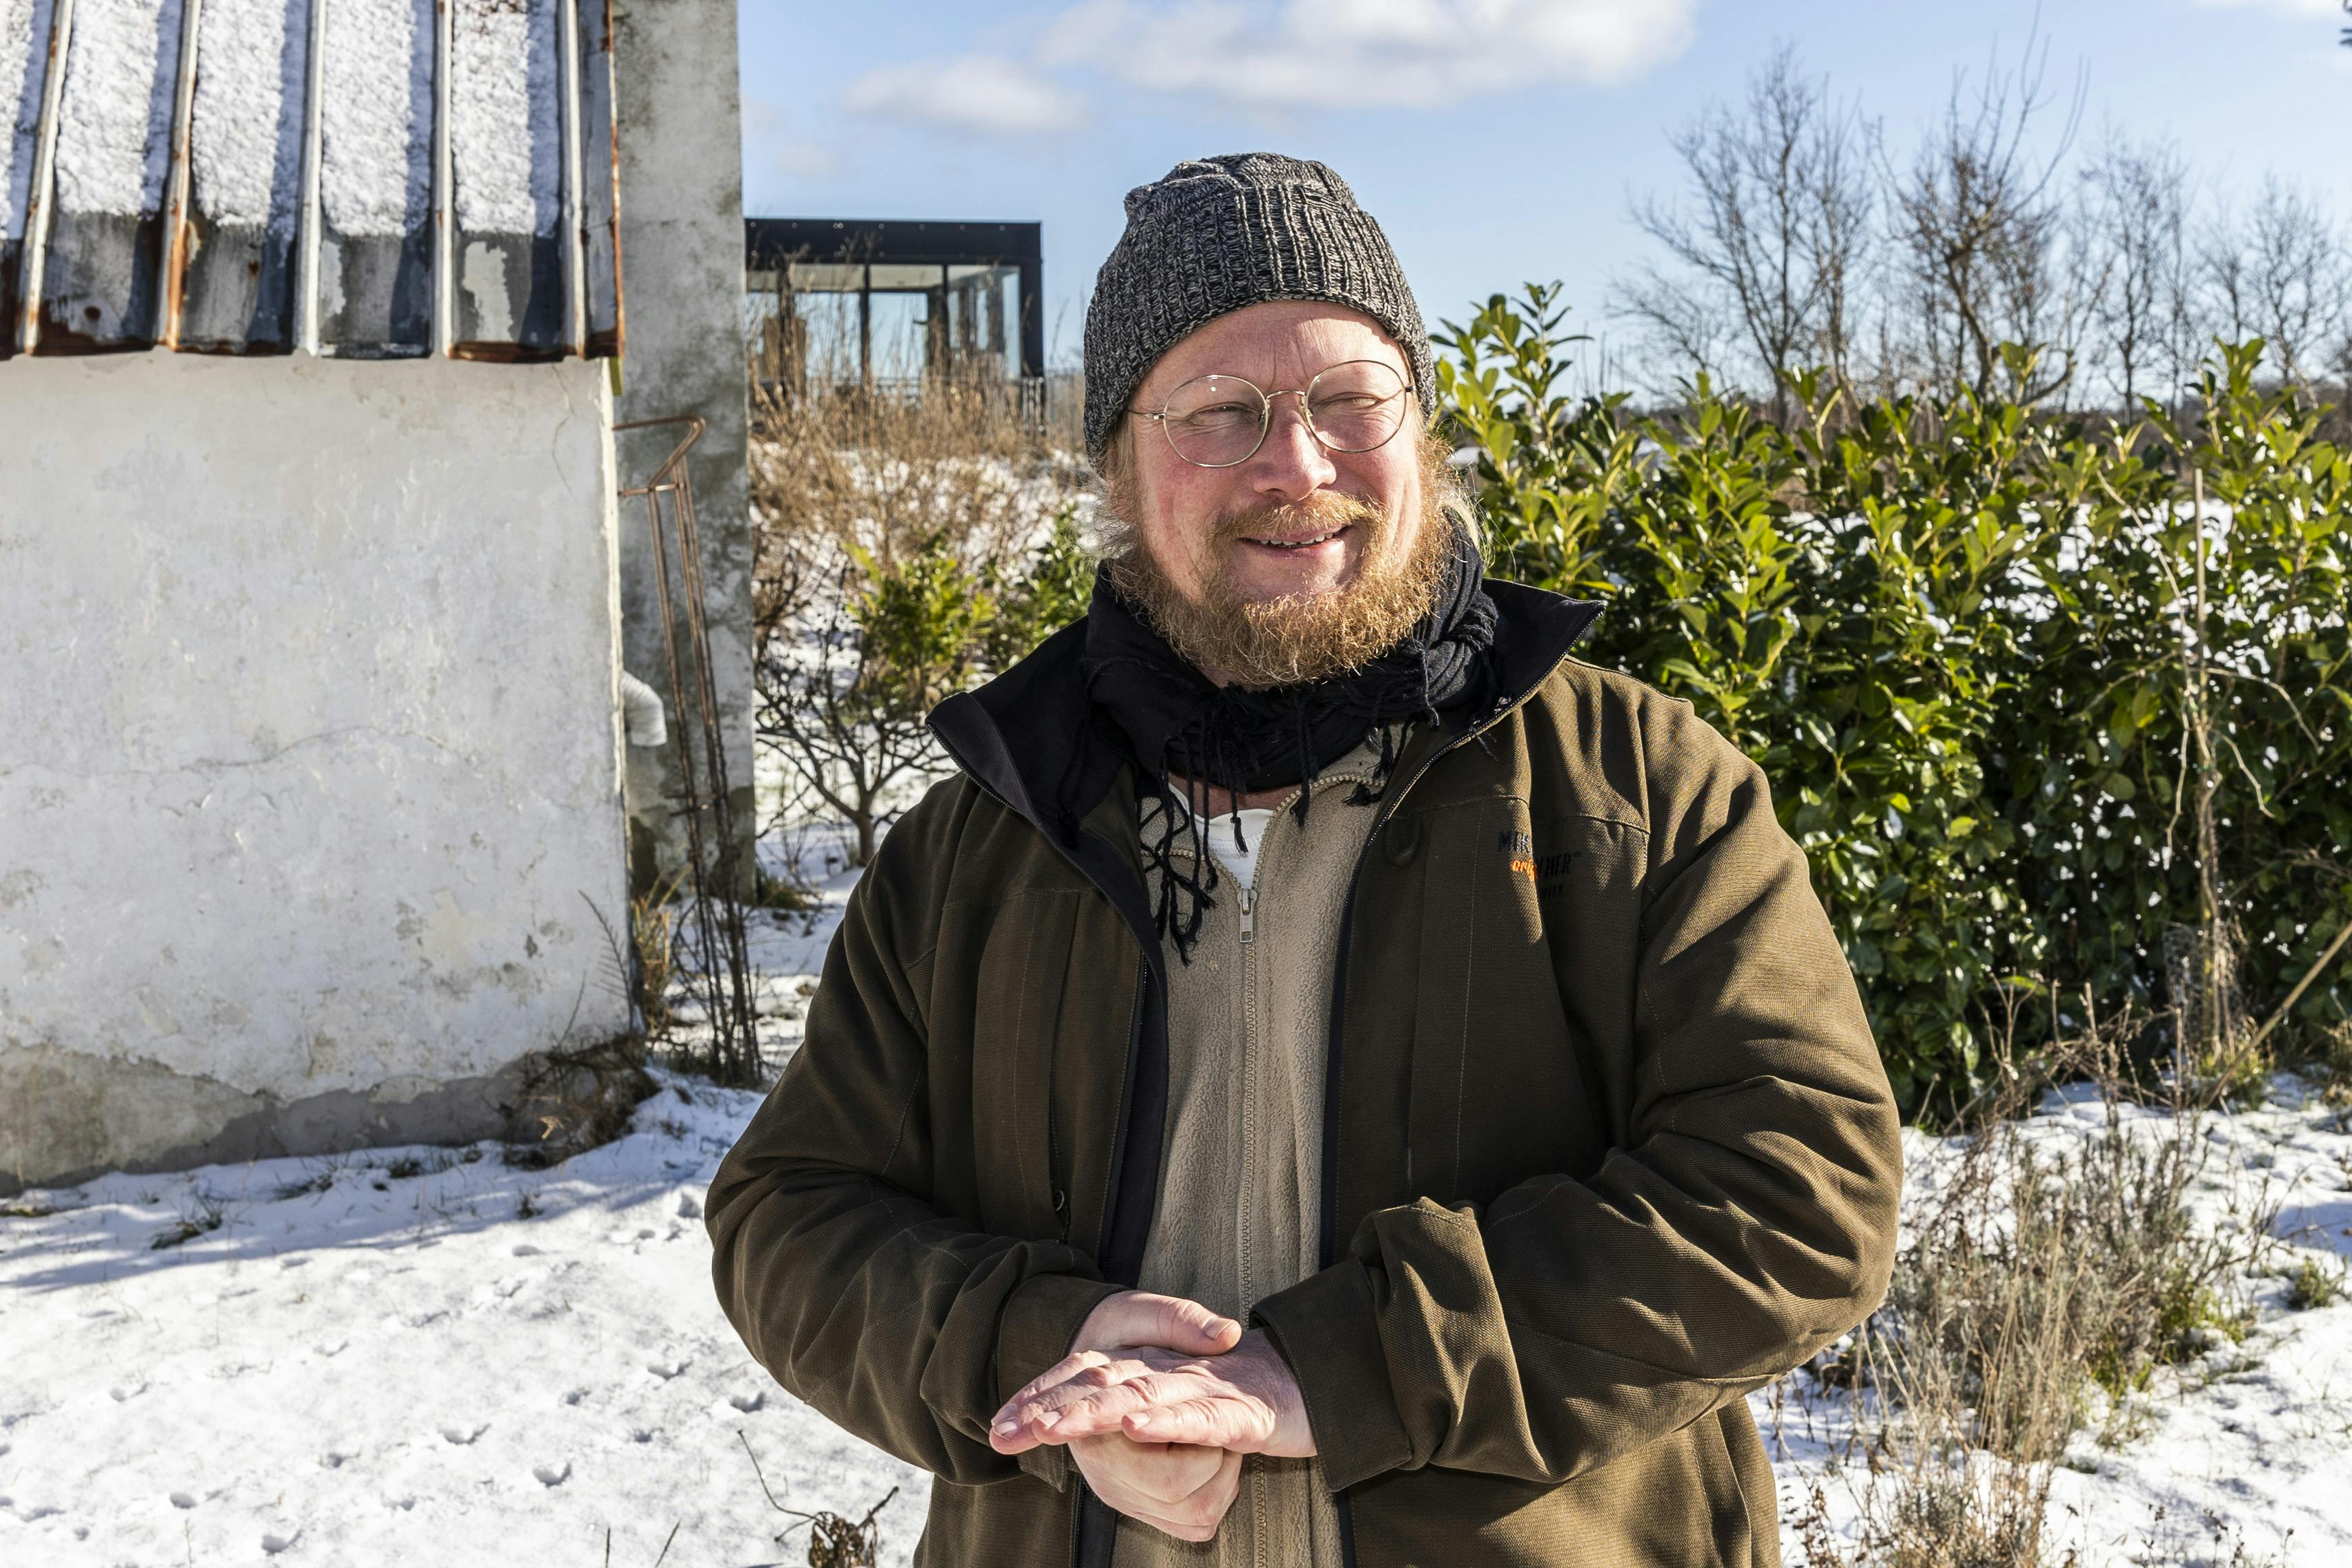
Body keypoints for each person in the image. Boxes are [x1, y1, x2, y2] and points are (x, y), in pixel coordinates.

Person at [707, 152, 1903, 1568]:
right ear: (1114, 465)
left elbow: (1800, 1183)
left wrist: (1337, 1370)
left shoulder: (1632, 789)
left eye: (1351, 399)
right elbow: (789, 1217)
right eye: (1222, 411)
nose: (1300, 465)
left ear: (1424, 431)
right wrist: (1046, 1348)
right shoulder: (985, 841)